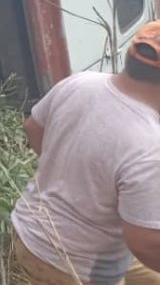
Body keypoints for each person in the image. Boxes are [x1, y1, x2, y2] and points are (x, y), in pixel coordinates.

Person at [11, 21, 160, 285]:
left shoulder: (79, 83)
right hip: (70, 264)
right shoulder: (150, 147)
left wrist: (73, 175)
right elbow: (145, 243)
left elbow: (32, 128)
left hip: (27, 230)